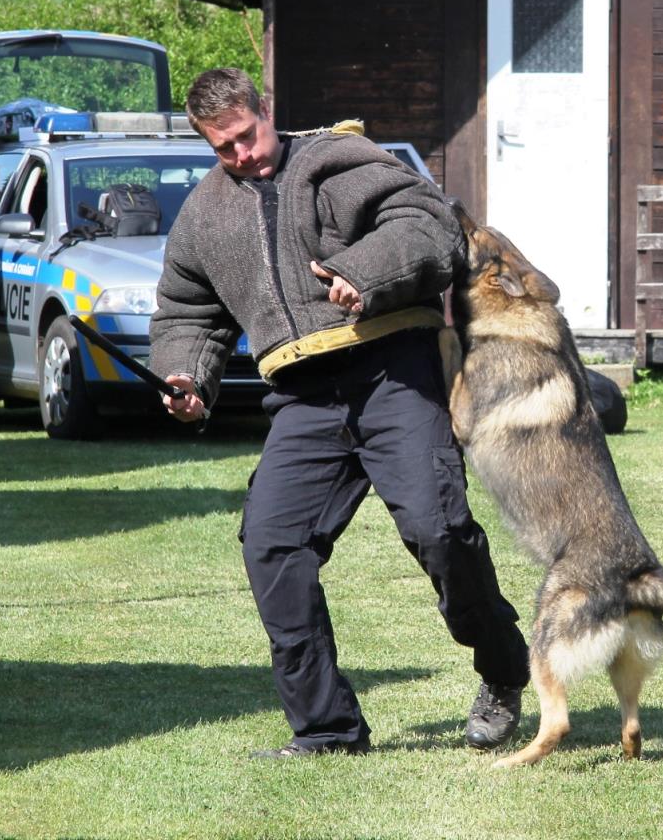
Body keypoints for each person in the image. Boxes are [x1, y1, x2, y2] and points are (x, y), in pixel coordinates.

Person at [150, 68, 529, 759]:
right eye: (222, 148)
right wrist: (186, 376)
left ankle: (503, 671)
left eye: (246, 136)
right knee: (271, 546)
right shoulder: (204, 214)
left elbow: (428, 224)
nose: (241, 156)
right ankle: (327, 729)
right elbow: (186, 309)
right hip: (302, 399)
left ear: (266, 111)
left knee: (439, 530)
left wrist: (364, 272)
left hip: (391, 371)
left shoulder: (337, 160)